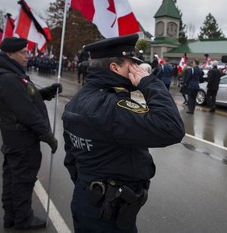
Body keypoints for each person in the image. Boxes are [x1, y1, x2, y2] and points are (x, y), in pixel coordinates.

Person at [62, 34, 185, 233]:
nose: (135, 69)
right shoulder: (112, 106)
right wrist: (149, 83)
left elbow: (71, 157)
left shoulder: (78, 100)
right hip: (108, 211)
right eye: (131, 63)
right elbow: (171, 128)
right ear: (115, 68)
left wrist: (88, 183)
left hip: (87, 200)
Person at [0, 37, 62, 230]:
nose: (27, 56)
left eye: (27, 52)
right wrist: (49, 137)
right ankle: (23, 219)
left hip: (16, 138)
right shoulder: (7, 78)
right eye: (23, 52)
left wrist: (46, 92)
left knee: (14, 178)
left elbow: (27, 96)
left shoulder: (10, 73)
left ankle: (11, 217)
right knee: (23, 181)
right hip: (22, 140)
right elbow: (27, 113)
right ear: (10, 54)